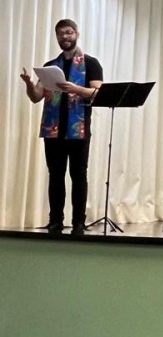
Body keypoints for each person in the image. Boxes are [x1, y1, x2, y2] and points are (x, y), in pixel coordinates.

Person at [20, 19, 104, 234]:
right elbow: (36, 97)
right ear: (57, 37)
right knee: (56, 175)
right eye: (60, 34)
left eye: (68, 32)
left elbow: (98, 93)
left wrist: (76, 88)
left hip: (78, 129)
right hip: (53, 129)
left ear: (76, 33)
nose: (65, 37)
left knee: (78, 175)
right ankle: (55, 220)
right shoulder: (50, 66)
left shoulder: (91, 63)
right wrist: (29, 84)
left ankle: (78, 222)